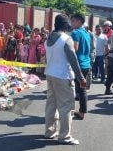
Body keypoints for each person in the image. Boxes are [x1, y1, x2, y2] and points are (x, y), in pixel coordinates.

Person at [44, 14, 86, 145]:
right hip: (63, 76)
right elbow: (73, 61)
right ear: (65, 25)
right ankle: (64, 136)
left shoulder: (48, 39)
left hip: (50, 74)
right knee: (66, 106)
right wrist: (81, 78)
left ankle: (50, 132)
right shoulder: (66, 39)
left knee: (51, 104)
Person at [70, 13, 91, 120]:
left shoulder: (75, 33)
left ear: (79, 21)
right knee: (82, 89)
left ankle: (69, 111)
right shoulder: (87, 33)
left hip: (78, 64)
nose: (71, 23)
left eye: (73, 21)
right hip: (86, 63)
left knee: (71, 88)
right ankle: (82, 111)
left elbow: (75, 49)